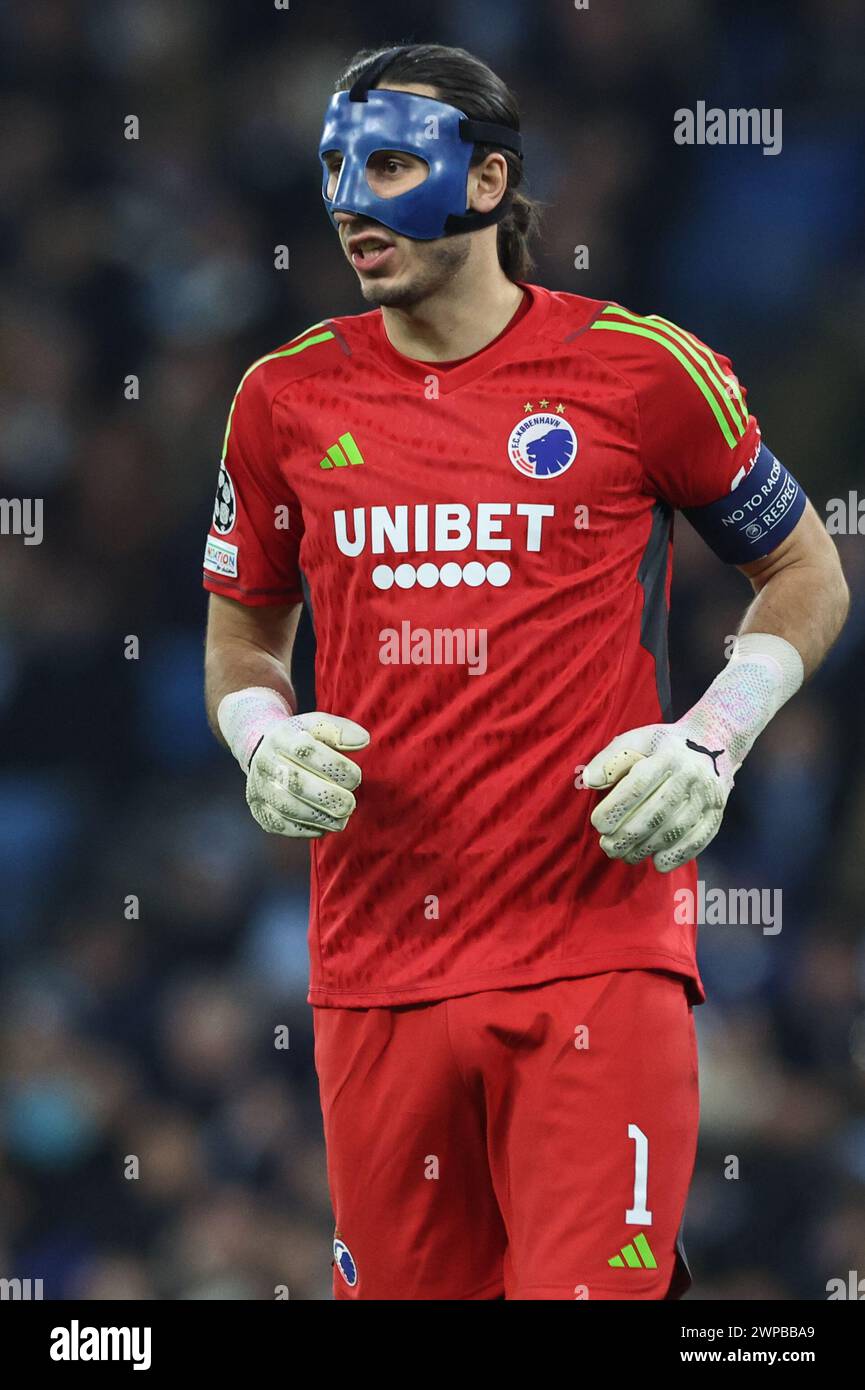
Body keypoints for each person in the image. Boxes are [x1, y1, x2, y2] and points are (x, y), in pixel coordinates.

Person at [202, 42, 848, 1300]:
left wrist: (713, 734)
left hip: (593, 949)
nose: (351, 201)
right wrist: (257, 733)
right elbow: (243, 635)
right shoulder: (280, 400)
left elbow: (810, 573)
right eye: (337, 165)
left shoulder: (642, 370)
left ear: (489, 180)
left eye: (389, 164)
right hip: (372, 962)